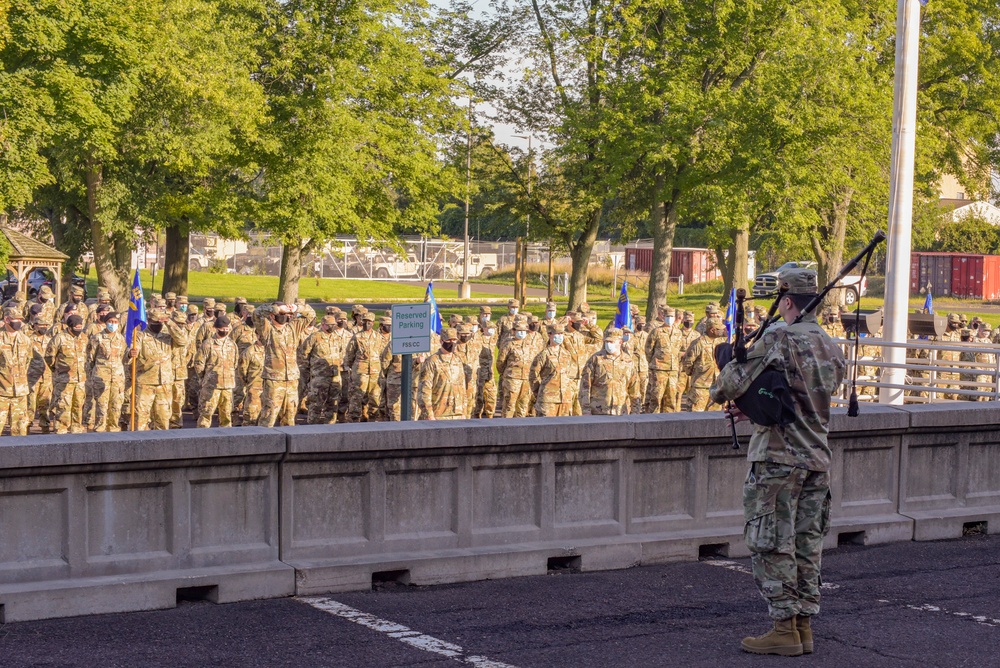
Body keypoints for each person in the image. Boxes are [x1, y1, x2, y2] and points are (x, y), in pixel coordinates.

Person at [710, 268, 847, 657]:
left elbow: (726, 387)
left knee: (771, 540)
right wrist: (756, 410)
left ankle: (783, 627)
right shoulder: (830, 345)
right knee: (807, 543)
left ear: (786, 301)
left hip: (778, 460)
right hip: (816, 458)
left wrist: (726, 364)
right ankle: (802, 627)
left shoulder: (778, 337)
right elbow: (799, 402)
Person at [129, 309, 188, 430]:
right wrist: (130, 354)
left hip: (164, 383)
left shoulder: (167, 336)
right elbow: (130, 353)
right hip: (145, 382)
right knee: (140, 418)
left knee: (163, 418)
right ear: (149, 321)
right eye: (156, 322)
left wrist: (170, 323)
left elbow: (183, 341)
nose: (159, 325)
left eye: (161, 322)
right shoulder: (140, 335)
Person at [254, 302, 300, 427]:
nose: (284, 316)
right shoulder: (267, 330)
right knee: (269, 415)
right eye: (281, 314)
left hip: (291, 380)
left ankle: (288, 445)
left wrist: (296, 308)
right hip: (274, 380)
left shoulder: (292, 328)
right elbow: (257, 314)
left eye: (286, 314)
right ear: (273, 315)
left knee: (289, 417)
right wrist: (277, 308)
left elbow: (310, 314)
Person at [580, 327, 641, 415]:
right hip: (598, 412)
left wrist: (635, 412)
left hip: (620, 412)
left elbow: (634, 389)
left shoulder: (628, 362)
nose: (608, 344)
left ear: (620, 342)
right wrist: (586, 411)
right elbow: (585, 387)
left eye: (611, 342)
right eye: (606, 342)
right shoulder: (596, 359)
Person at [417, 327, 473, 420]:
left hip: (457, 414)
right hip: (438, 415)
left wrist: (464, 412)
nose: (452, 343)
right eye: (449, 340)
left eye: (454, 340)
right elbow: (424, 391)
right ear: (442, 341)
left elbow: (462, 388)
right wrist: (429, 415)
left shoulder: (458, 360)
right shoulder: (432, 362)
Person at [300, 315, 346, 424]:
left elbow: (341, 353)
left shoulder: (336, 337)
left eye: (333, 325)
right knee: (316, 403)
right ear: (323, 325)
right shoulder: (315, 337)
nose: (332, 327)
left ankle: (330, 426)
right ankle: (312, 427)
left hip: (335, 376)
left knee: (333, 403)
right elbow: (304, 354)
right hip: (319, 376)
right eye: (329, 325)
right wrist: (308, 372)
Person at [194, 316, 238, 427]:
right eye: (222, 328)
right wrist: (204, 378)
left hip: (227, 386)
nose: (224, 331)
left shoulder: (232, 344)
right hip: (211, 385)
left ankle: (226, 438)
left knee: (226, 415)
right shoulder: (207, 344)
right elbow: (199, 364)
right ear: (216, 328)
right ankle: (201, 437)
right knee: (206, 414)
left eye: (226, 328)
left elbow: (235, 363)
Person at [87, 311, 127, 432]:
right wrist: (92, 376)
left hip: (117, 378)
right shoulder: (97, 338)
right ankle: (99, 431)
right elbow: (90, 359)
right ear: (106, 322)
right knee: (101, 407)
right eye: (110, 322)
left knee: (116, 406)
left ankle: (113, 431)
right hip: (101, 377)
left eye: (115, 322)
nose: (113, 324)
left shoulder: (121, 339)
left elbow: (124, 358)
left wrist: (130, 355)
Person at [681, 316, 726, 412]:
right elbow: (688, 362)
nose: (722, 331)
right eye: (719, 329)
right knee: (695, 416)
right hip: (700, 387)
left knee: (714, 416)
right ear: (712, 330)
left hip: (715, 386)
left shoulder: (720, 342)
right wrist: (695, 374)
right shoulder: (698, 343)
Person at [529, 323, 574, 417]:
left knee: (565, 427)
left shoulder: (566, 354)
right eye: (557, 334)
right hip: (548, 399)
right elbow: (533, 375)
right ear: (549, 335)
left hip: (565, 399)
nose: (560, 337)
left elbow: (569, 374)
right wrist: (539, 391)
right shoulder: (544, 354)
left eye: (562, 334)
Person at [0, 307, 33, 435]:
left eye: (20, 319)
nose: (19, 322)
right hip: (2, 391)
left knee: (19, 430)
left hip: (20, 392)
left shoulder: (25, 340)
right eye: (16, 319)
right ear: (7, 319)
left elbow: (28, 361)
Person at [27, 315, 54, 433]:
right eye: (41, 325)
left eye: (46, 325)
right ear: (35, 326)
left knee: (45, 403)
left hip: (47, 377)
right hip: (32, 377)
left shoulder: (50, 340)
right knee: (30, 404)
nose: (43, 327)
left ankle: (45, 427)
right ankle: (27, 426)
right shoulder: (28, 340)